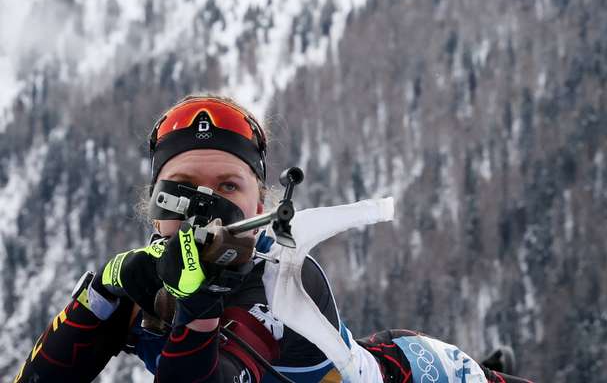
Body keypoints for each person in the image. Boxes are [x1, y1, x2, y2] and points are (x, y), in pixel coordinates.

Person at [14, 94, 532, 383]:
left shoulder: (284, 277)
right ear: (154, 210)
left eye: (228, 187)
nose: (204, 206)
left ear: (260, 206)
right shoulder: (142, 276)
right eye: (183, 189)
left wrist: (199, 307)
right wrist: (105, 289)